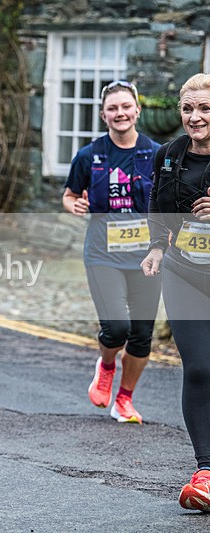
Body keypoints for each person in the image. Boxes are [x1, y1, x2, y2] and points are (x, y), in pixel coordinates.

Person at [62, 80, 161, 424]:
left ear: (137, 110)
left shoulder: (157, 155)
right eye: (112, 108)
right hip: (103, 256)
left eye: (125, 106)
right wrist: (74, 205)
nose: (120, 113)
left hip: (148, 257)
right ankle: (105, 366)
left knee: (142, 334)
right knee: (117, 327)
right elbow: (70, 194)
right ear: (103, 115)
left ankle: (125, 398)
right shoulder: (89, 156)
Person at [141, 72, 210, 512]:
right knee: (200, 368)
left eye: (205, 108)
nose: (195, 117)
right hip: (184, 273)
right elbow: (158, 207)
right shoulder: (169, 156)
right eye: (188, 108)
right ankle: (206, 469)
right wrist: (154, 247)